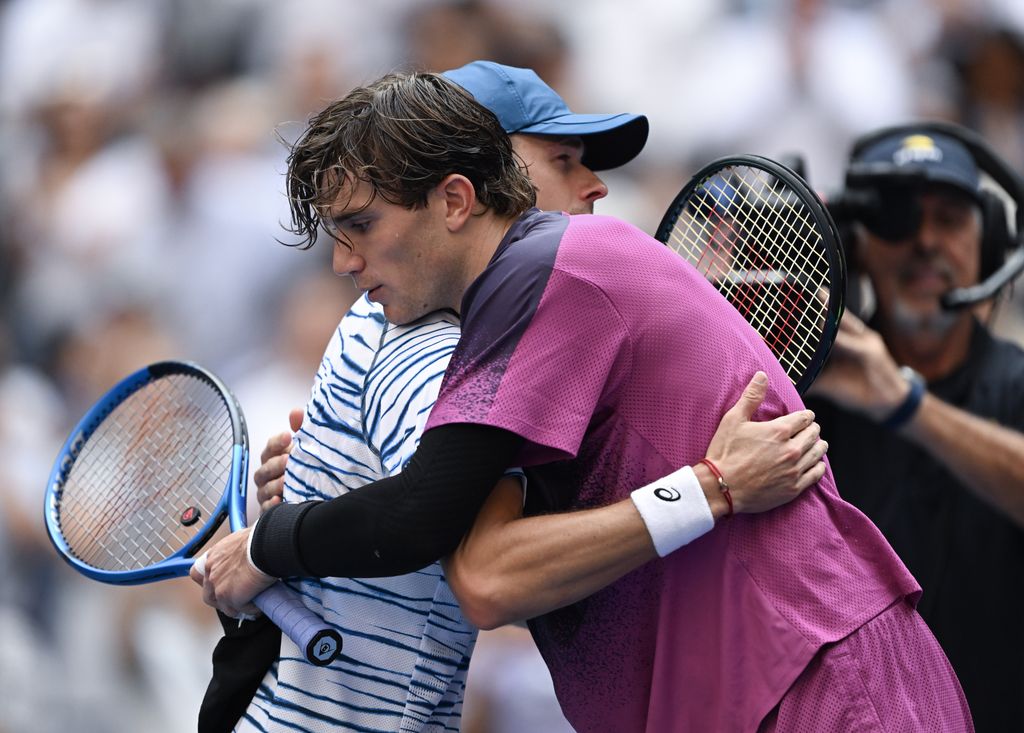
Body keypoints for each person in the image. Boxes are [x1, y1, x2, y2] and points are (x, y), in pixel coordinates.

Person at [194, 70, 972, 732]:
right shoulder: (501, 300)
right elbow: (444, 515)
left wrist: (268, 544)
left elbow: (460, 553)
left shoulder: (561, 267)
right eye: (562, 158)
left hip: (822, 685)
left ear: (458, 198)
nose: (342, 260)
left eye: (362, 225)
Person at [805, 124, 1024, 733]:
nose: (926, 241)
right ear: (854, 245)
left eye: (950, 218)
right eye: (898, 219)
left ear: (991, 244)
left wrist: (903, 404)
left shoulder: (1016, 384)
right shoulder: (802, 396)